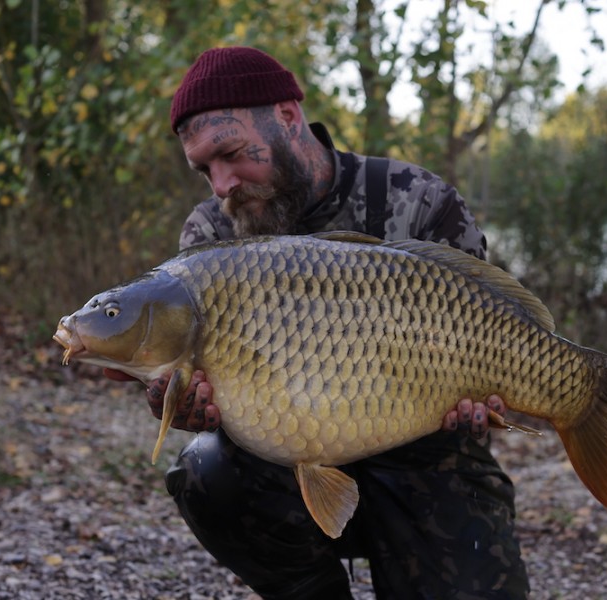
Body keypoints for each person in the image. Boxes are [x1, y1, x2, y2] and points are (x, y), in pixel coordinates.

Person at [112, 46, 529, 599]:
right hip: (287, 463)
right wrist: (176, 399)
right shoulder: (212, 233)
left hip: (430, 460)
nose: (221, 184)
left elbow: (493, 327)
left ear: (287, 115)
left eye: (232, 153)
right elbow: (200, 386)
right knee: (204, 471)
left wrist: (483, 404)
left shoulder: (418, 200)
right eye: (204, 169)